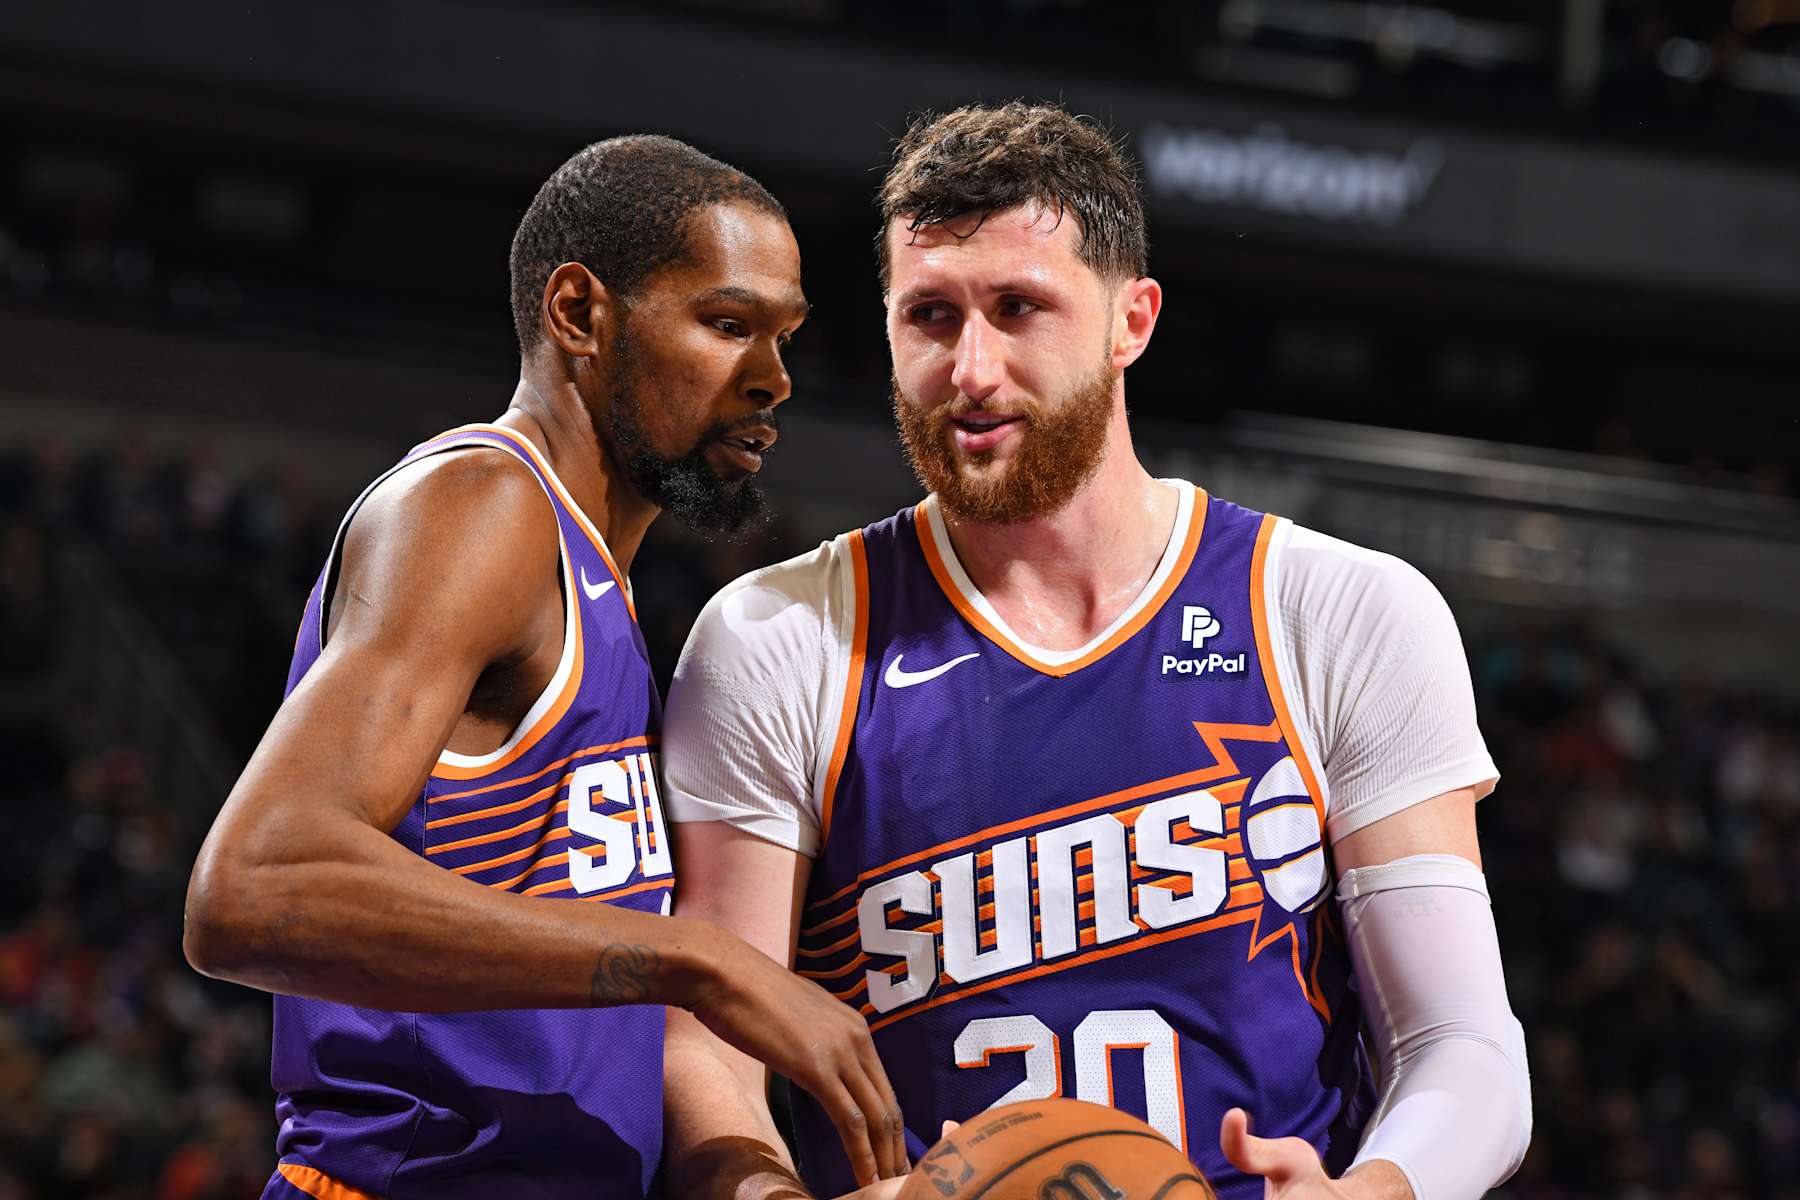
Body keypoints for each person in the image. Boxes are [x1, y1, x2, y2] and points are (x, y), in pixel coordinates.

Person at [660, 103, 1532, 1200]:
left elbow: (1464, 1045)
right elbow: (709, 1047)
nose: (970, 367)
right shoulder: (776, 642)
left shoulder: (1335, 611)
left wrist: (1376, 1193)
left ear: (1132, 320)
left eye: (1018, 307)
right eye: (930, 315)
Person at [182, 135, 905, 1200]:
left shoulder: (597, 583)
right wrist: (697, 960)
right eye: (726, 324)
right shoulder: (484, 507)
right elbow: (254, 884)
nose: (773, 380)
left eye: (784, 338)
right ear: (579, 313)